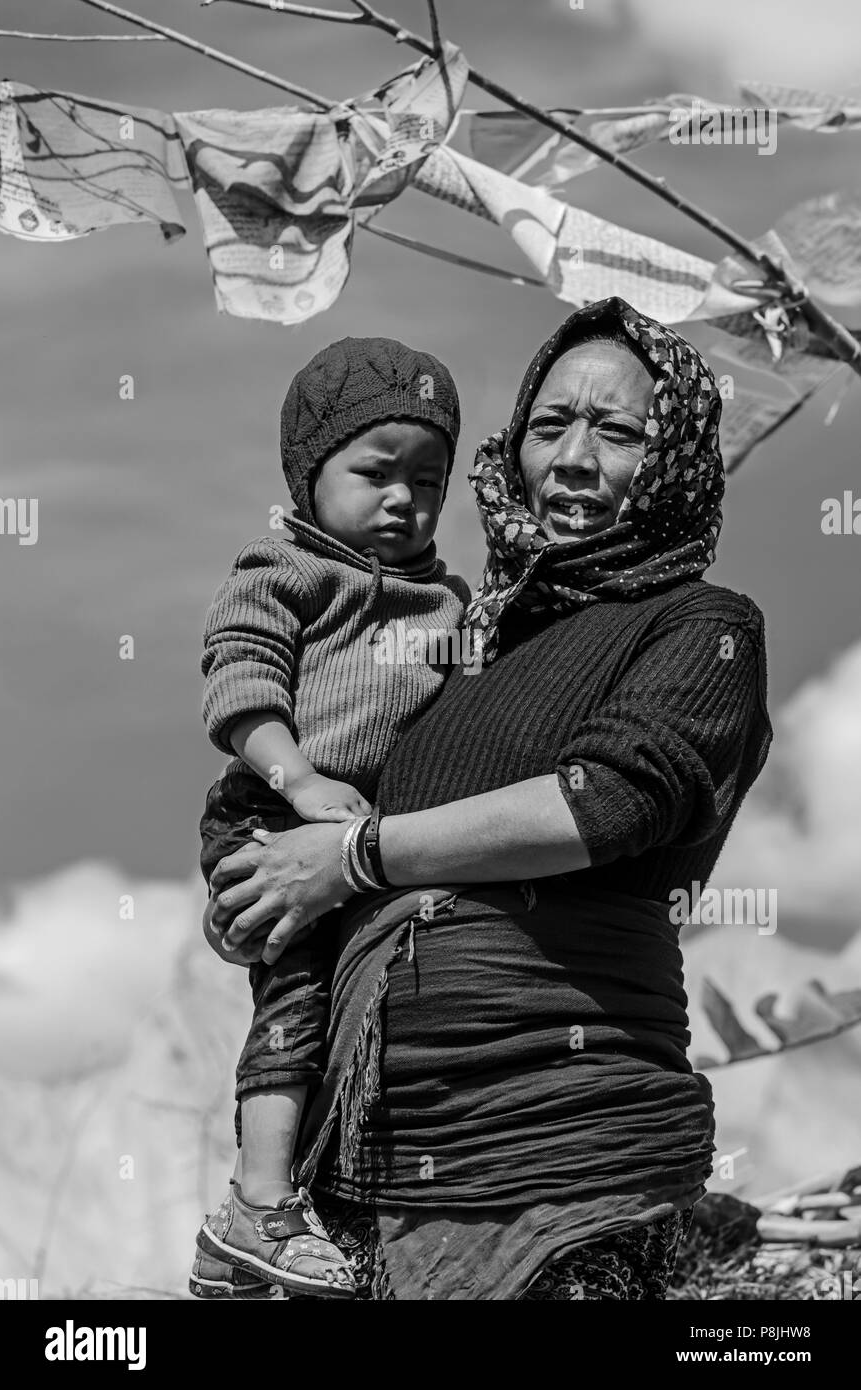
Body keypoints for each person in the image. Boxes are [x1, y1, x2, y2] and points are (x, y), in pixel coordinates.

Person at [202, 296, 773, 1301]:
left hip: (565, 1150)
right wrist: (263, 887)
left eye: (619, 431)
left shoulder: (699, 626)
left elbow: (607, 800)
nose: (572, 458)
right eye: (549, 426)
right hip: (373, 1174)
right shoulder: (454, 644)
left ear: (674, 452)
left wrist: (352, 857)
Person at [191, 337, 470, 1299]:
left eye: (428, 478)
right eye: (375, 472)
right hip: (273, 810)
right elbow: (238, 680)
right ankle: (257, 1203)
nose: (404, 499)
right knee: (298, 993)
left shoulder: (451, 602)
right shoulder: (286, 567)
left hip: (364, 845)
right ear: (310, 478)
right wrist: (301, 780)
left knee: (374, 1006)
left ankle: (263, 1242)